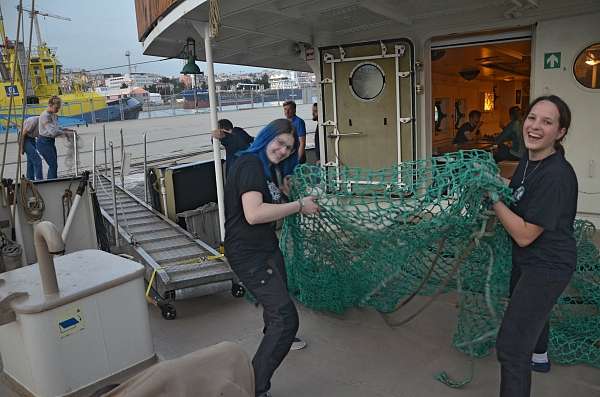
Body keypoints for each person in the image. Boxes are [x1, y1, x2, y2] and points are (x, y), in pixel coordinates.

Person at [224, 119, 319, 397]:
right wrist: (299, 205)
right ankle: (254, 387)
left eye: (289, 148)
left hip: (266, 247)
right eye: (279, 143)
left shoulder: (267, 170)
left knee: (278, 301)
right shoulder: (250, 164)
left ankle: (278, 337)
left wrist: (285, 195)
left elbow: (268, 206)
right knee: (285, 318)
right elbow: (254, 214)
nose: (283, 150)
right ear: (266, 137)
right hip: (248, 253)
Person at [490, 95, 577, 397]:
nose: (535, 126)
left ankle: (530, 355)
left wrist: (492, 198)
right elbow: (519, 196)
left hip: (548, 266)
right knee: (529, 311)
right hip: (527, 260)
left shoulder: (557, 175)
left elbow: (525, 234)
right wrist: (498, 185)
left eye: (547, 121)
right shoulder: (529, 159)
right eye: (532, 118)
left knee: (512, 348)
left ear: (561, 132)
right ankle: (539, 356)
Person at [37, 96, 76, 179]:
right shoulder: (45, 116)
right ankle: (51, 181)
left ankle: (52, 180)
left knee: (54, 164)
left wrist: (67, 130)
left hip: (50, 142)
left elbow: (57, 128)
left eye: (59, 108)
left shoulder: (53, 115)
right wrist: (66, 134)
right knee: (53, 164)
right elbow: (53, 132)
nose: (57, 110)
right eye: (56, 107)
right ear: (50, 105)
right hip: (43, 142)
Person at [19, 116, 43, 180]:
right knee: (38, 160)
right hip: (24, 138)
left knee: (30, 160)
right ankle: (39, 180)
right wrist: (21, 148)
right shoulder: (33, 121)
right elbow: (23, 135)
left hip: (32, 138)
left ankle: (30, 179)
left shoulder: (45, 124)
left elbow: (40, 137)